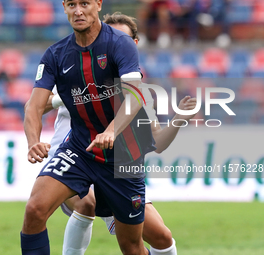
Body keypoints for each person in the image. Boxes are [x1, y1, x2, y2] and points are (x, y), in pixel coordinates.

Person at [38, 12, 197, 255]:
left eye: (121, 39)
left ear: (133, 45)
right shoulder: (77, 70)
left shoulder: (138, 94)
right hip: (76, 163)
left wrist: (178, 120)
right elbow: (38, 103)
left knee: (161, 237)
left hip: (117, 171)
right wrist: (70, 96)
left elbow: (158, 142)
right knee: (86, 203)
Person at [22, 1, 155, 254]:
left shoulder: (119, 43)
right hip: (80, 151)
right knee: (35, 209)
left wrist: (111, 131)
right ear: (64, 8)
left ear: (98, 4)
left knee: (131, 245)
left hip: (122, 156)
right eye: (72, 4)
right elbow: (33, 106)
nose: (78, 11)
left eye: (84, 3)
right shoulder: (55, 54)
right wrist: (33, 141)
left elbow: (135, 95)